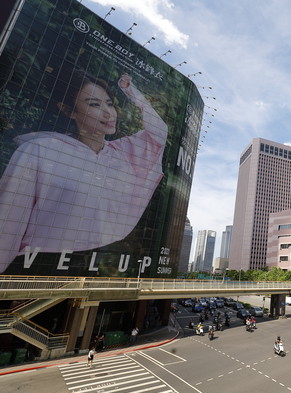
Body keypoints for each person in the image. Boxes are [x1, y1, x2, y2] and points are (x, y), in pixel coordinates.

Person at [0, 70, 168, 274]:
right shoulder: (41, 150)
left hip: (97, 264)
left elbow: (159, 132)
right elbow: (8, 219)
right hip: (39, 264)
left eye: (109, 103)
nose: (108, 113)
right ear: (68, 110)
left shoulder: (121, 154)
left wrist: (131, 92)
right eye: (94, 104)